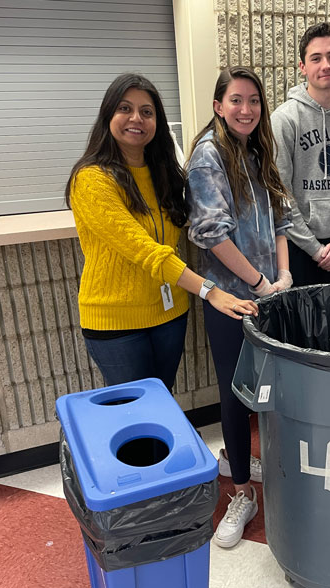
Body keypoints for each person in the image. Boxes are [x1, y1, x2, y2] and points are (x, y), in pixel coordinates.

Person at [65, 73, 257, 391]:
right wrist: (212, 291)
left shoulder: (164, 175)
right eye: (125, 109)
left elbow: (198, 221)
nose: (136, 118)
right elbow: (147, 251)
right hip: (118, 324)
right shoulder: (91, 180)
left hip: (169, 316)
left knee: (162, 406)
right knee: (136, 419)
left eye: (147, 111)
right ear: (108, 115)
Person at [186, 66, 293, 548]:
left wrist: (283, 276)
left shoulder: (257, 149)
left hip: (270, 291)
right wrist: (258, 284)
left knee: (265, 387)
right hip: (232, 299)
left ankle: (243, 456)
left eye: (253, 101)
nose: (246, 109)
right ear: (218, 105)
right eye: (236, 100)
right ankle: (241, 495)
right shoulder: (208, 156)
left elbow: (280, 217)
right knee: (234, 391)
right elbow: (211, 234)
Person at [271, 21, 330, 286]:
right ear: (303, 66)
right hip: (298, 249)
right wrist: (314, 248)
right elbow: (281, 193)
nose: (326, 65)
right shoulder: (284, 119)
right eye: (316, 58)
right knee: (300, 326)